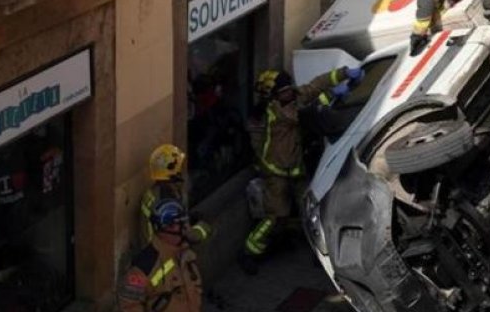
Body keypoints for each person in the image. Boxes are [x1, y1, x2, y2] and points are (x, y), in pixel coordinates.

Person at [242, 66, 363, 268]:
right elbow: (304, 114)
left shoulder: (291, 98)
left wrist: (343, 73)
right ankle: (250, 251)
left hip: (295, 168)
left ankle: (320, 252)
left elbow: (315, 85)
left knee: (310, 209)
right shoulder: (276, 112)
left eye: (289, 88)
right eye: (283, 92)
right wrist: (332, 94)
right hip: (275, 172)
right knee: (275, 217)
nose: (290, 92)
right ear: (273, 96)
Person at [141, 144, 213, 246]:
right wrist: (203, 227)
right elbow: (186, 235)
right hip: (167, 253)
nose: (181, 171)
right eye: (178, 167)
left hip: (155, 248)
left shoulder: (153, 193)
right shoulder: (168, 201)